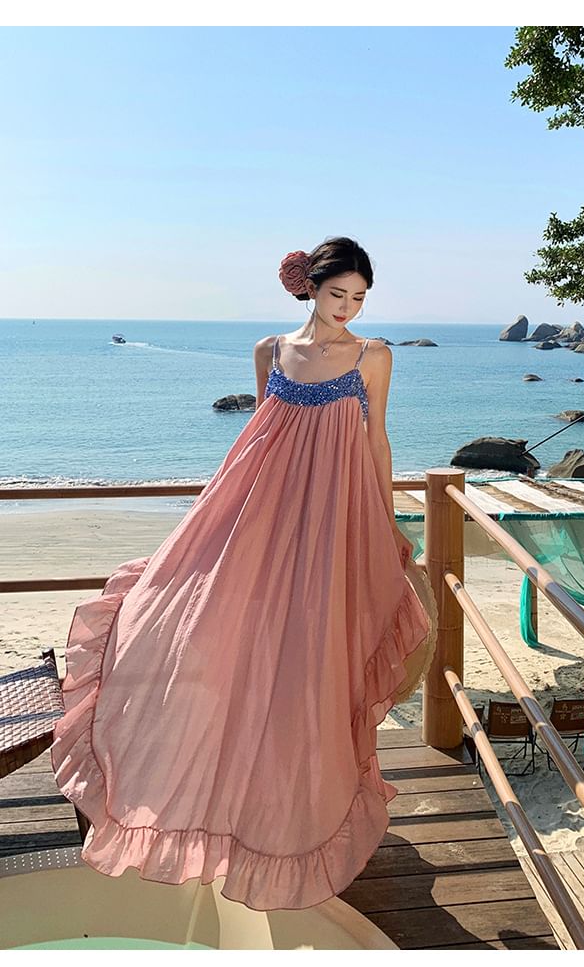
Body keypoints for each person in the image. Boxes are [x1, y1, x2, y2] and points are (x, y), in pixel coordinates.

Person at [50, 235, 435, 913]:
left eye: (359, 298)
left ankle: (300, 800)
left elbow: (376, 439)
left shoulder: (373, 357)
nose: (347, 308)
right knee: (212, 634)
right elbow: (260, 439)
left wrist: (386, 517)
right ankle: (215, 796)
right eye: (337, 293)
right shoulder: (270, 351)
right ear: (309, 288)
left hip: (334, 523)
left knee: (316, 661)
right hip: (267, 518)